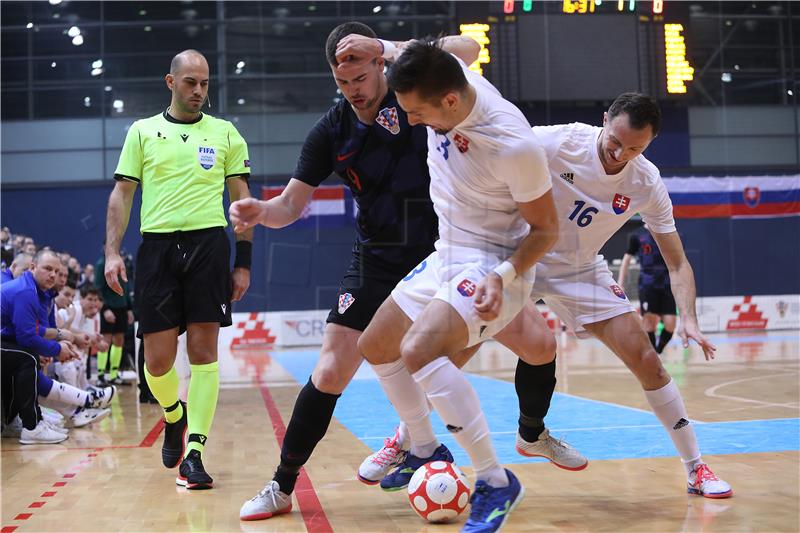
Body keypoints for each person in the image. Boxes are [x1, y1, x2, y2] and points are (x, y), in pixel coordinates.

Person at [232, 22, 498, 521]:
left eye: (360, 75)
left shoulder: (416, 92)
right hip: (375, 258)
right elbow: (291, 204)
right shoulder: (331, 130)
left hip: (444, 251)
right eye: (342, 81)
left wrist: (390, 46)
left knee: (448, 354)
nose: (353, 90)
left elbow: (468, 49)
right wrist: (260, 213)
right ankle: (281, 485)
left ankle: (412, 439)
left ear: (380, 64)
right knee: (331, 369)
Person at [350, 39, 559, 532]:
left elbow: (547, 230)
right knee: (375, 344)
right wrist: (378, 47)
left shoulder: (513, 144)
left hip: (493, 263)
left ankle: (494, 479)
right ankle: (424, 447)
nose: (413, 122)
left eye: (418, 114)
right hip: (448, 251)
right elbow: (458, 44)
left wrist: (503, 276)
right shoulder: (450, 75)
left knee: (419, 351)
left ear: (449, 101)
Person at [506, 93, 731, 498]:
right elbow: (498, 152)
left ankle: (696, 468)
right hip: (519, 254)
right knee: (461, 340)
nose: (620, 153)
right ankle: (407, 439)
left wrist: (690, 320)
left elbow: (677, 264)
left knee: (648, 361)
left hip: (580, 269)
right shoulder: (559, 142)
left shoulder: (645, 181)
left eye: (635, 148)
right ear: (604, 120)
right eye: (615, 140)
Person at [103, 49, 253, 490]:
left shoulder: (226, 134)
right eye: (190, 82)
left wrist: (242, 263)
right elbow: (122, 195)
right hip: (157, 251)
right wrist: (112, 252)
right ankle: (174, 414)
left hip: (209, 246)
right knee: (157, 362)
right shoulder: (142, 132)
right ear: (171, 83)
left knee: (205, 354)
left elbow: (241, 203)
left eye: (205, 83)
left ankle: (195, 453)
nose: (199, 91)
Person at [0, 250, 77, 444]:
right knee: (28, 358)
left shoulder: (37, 291)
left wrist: (55, 344)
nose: (53, 275)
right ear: (33, 267)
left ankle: (15, 421)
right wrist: (58, 350)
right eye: (47, 269)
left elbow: (39, 330)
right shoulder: (25, 292)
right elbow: (27, 337)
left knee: (27, 356)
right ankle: (32, 427)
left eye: (57, 271)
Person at [618, 225, 676, 354]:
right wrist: (620, 283)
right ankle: (654, 355)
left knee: (670, 323)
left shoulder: (668, 232)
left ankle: (658, 350)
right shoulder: (637, 235)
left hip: (667, 284)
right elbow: (626, 260)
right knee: (649, 322)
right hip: (648, 284)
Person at [95, 250, 134, 386]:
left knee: (119, 340)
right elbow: (97, 288)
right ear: (104, 247)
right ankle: (100, 375)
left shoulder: (120, 263)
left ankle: (113, 374)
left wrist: (129, 308)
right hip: (109, 307)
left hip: (121, 307)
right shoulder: (101, 264)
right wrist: (104, 309)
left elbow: (126, 286)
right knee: (105, 340)